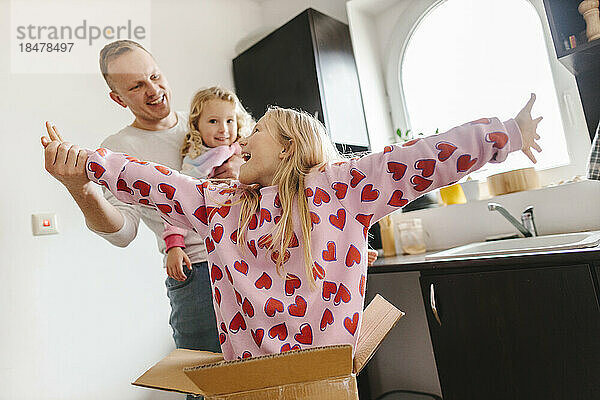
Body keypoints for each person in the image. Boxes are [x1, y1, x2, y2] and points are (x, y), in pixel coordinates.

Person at [41, 94, 542, 361]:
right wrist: (88, 163)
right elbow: (155, 181)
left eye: (256, 130)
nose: (240, 139)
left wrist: (508, 133)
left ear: (290, 148)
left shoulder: (339, 189)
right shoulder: (218, 204)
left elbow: (422, 158)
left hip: (320, 371)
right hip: (253, 377)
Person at [42, 40, 243, 357]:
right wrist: (81, 189)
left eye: (155, 76)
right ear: (117, 98)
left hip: (250, 258)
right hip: (196, 270)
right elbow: (123, 233)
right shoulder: (117, 150)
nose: (153, 90)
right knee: (207, 379)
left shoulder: (211, 123)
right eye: (137, 86)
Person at [164, 87, 253, 282]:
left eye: (229, 121)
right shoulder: (196, 162)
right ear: (197, 125)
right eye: (213, 121)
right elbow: (178, 203)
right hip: (216, 248)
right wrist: (174, 245)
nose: (223, 129)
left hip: (252, 244)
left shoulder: (248, 151)